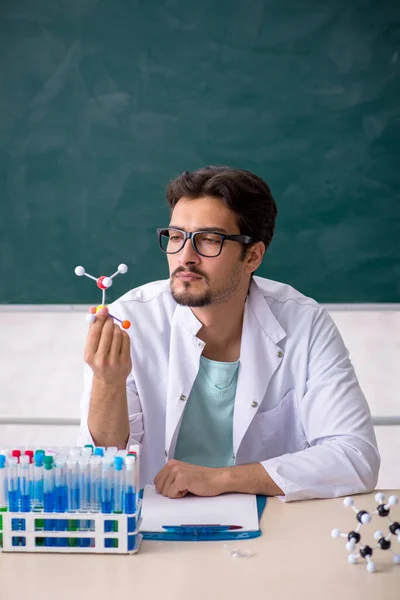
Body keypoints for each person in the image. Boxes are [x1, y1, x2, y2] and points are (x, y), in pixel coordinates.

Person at [79, 166, 380, 502]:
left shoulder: (304, 323)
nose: (185, 257)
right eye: (177, 237)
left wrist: (221, 479)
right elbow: (102, 469)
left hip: (269, 530)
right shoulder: (130, 320)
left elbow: (356, 457)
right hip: (154, 531)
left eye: (209, 239)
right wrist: (107, 382)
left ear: (252, 255)